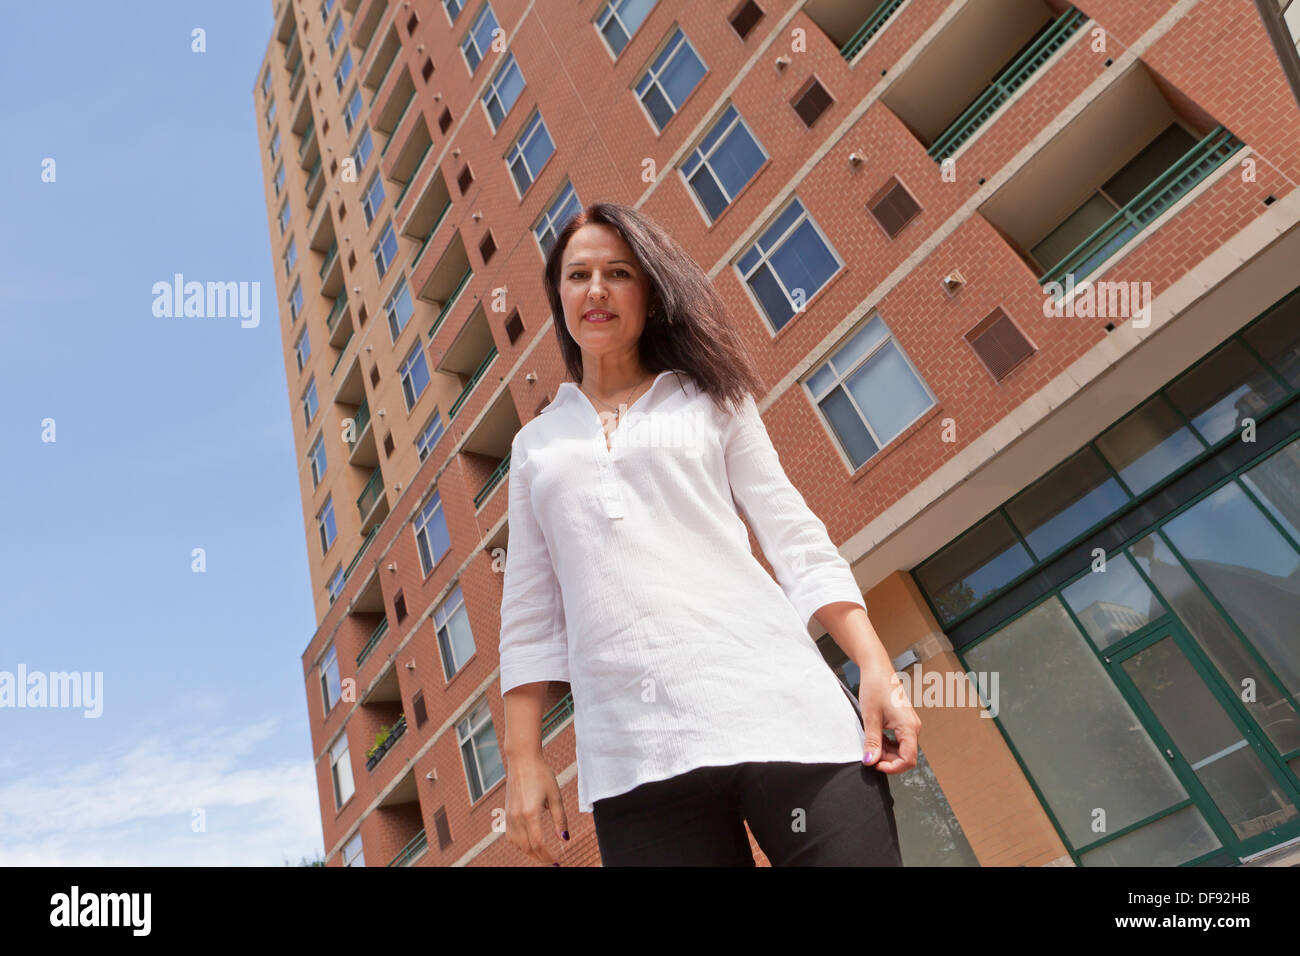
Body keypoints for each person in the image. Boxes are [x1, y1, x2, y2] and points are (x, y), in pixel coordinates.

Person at [498, 202, 920, 867]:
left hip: (785, 712)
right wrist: (523, 762)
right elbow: (527, 616)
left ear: (650, 292)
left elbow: (793, 536)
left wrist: (873, 666)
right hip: (637, 760)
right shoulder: (535, 447)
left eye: (619, 272)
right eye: (578, 275)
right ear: (559, 296)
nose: (598, 289)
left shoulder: (712, 397)